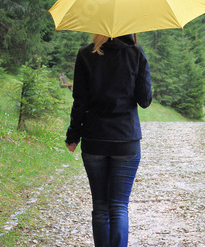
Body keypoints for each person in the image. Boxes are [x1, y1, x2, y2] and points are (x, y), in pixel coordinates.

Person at [65, 33, 152, 247]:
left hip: (94, 139)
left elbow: (80, 101)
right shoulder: (136, 53)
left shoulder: (86, 54)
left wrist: (73, 135)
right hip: (126, 140)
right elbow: (145, 100)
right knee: (119, 206)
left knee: (101, 207)